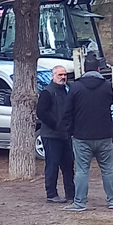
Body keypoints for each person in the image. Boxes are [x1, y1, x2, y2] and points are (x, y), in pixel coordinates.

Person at [61, 55, 113, 211]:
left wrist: (70, 131)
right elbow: (110, 104)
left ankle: (79, 202)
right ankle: (112, 200)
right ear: (99, 69)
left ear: (84, 69)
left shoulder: (75, 87)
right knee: (107, 169)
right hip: (104, 134)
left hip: (82, 135)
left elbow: (68, 111)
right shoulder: (107, 86)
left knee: (82, 170)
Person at [36, 65, 75, 203]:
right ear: (53, 76)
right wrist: (55, 124)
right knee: (52, 165)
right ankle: (51, 194)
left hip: (65, 135)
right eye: (60, 75)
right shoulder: (47, 92)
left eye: (64, 74)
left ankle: (71, 194)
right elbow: (41, 112)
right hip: (51, 135)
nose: (63, 77)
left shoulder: (67, 90)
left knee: (68, 165)